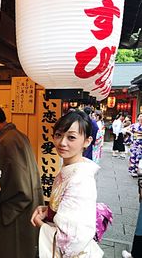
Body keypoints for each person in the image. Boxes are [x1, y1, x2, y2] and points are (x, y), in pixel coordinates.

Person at [31, 110, 104, 257]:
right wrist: (48, 210)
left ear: (87, 141)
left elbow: (72, 240)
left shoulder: (80, 179)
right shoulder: (70, 168)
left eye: (71, 137)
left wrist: (42, 225)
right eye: (58, 135)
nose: (62, 143)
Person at [0, 104, 44, 258]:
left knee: (13, 250)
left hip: (18, 208)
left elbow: (16, 183)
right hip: (28, 204)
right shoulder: (16, 135)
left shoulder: (8, 141)